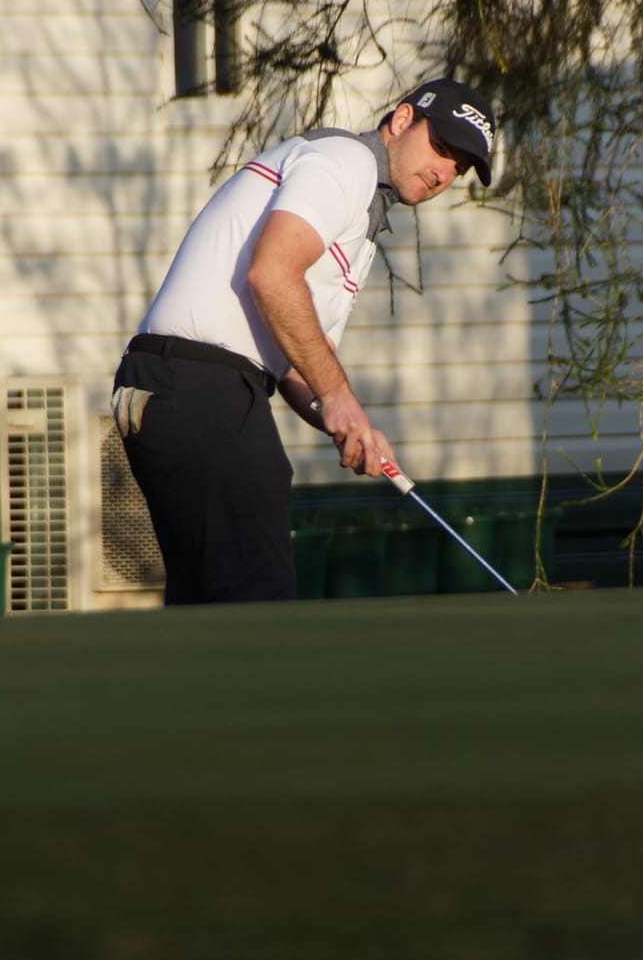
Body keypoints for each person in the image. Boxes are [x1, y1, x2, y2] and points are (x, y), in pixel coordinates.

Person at [111, 77, 497, 605]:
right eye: (443, 148)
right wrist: (338, 397)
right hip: (200, 385)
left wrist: (351, 424)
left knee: (207, 608)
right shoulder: (346, 161)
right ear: (402, 120)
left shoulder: (362, 229)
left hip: (184, 388)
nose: (444, 171)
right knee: (258, 602)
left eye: (460, 167)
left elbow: (298, 366)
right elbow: (271, 275)